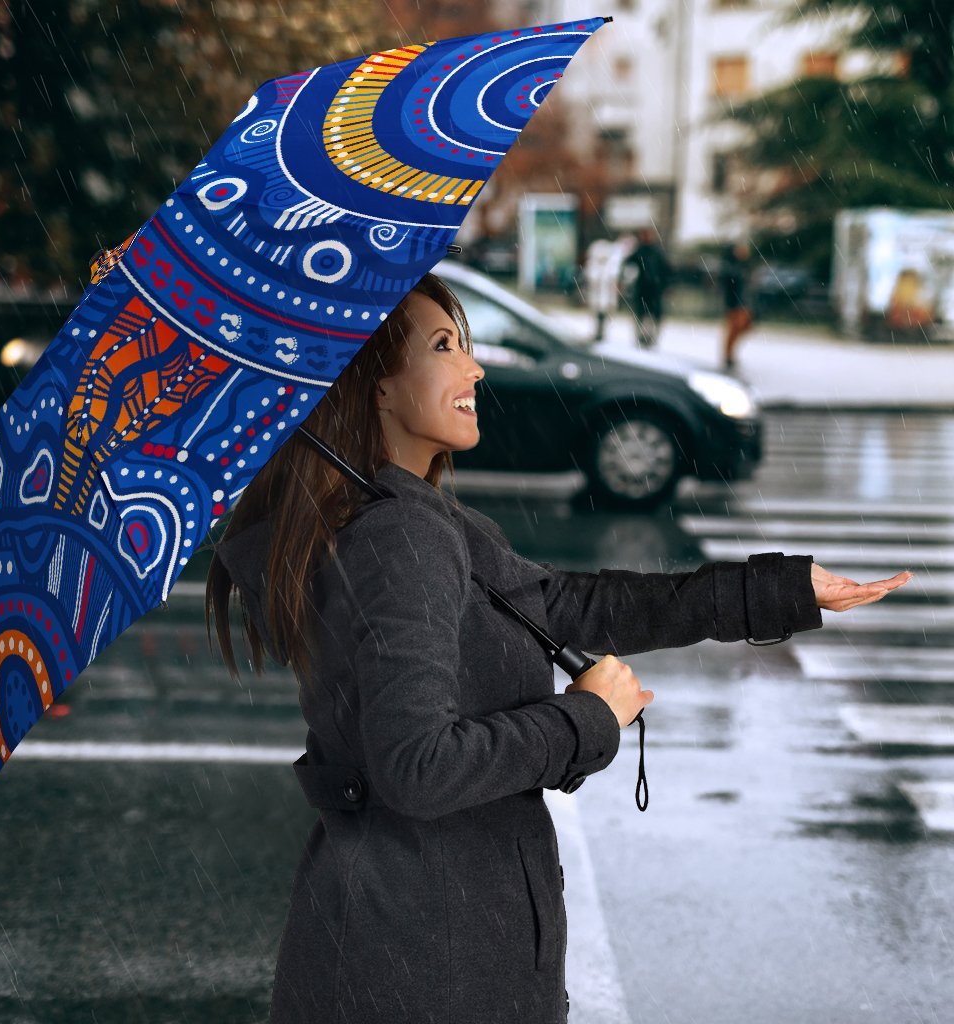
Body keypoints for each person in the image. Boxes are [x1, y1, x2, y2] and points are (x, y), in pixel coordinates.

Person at [207, 272, 912, 1024]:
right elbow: (417, 767)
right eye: (445, 346)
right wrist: (584, 719)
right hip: (425, 960)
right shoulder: (400, 537)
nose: (474, 368)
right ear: (376, 387)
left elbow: (573, 605)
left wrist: (777, 590)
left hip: (416, 940)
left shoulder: (412, 520)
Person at [621, 227, 672, 349]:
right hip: (643, 288)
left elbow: (666, 270)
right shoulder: (640, 251)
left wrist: (666, 285)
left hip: (654, 289)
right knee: (641, 313)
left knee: (652, 314)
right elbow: (628, 264)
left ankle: (650, 337)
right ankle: (641, 336)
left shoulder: (657, 252)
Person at [720, 240, 754, 370]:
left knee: (744, 326)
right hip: (735, 302)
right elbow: (729, 285)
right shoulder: (730, 266)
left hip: (744, 302)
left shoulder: (744, 266)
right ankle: (728, 355)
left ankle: (730, 354)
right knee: (734, 329)